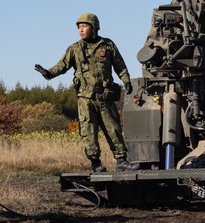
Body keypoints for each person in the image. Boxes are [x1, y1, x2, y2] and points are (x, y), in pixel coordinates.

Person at [35, 13, 135, 173]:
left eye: (84, 26)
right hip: (85, 98)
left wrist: (127, 80)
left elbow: (119, 65)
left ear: (94, 27)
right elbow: (62, 65)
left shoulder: (107, 45)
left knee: (113, 129)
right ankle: (95, 163)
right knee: (88, 131)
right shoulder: (75, 48)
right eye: (79, 27)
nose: (81, 30)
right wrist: (48, 73)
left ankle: (121, 160)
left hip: (105, 97)